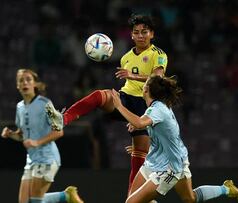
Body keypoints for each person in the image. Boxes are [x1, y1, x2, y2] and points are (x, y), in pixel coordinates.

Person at [59, 14, 167, 194]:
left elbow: (158, 78)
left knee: (140, 153)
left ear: (152, 34)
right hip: (125, 99)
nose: (140, 36)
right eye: (136, 32)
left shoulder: (159, 54)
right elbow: (127, 84)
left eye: (144, 32)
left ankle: (132, 196)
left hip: (146, 105)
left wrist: (132, 76)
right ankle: (64, 118)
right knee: (102, 95)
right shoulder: (125, 57)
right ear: (131, 36)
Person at [110, 75, 238, 203]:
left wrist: (119, 106)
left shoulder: (157, 110)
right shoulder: (156, 107)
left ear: (146, 90)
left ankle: (225, 189)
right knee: (190, 198)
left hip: (170, 167)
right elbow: (158, 132)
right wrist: (138, 126)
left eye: (145, 84)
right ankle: (226, 188)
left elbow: (140, 122)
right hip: (156, 160)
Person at [1, 69, 84, 203]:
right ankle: (66, 196)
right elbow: (23, 136)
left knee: (35, 201)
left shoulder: (45, 104)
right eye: (21, 80)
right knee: (24, 202)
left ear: (35, 84)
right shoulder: (20, 107)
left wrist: (37, 142)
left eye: (28, 79)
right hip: (32, 160)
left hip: (47, 158)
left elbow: (59, 131)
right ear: (17, 86)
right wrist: (11, 134)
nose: (25, 83)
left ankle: (66, 197)